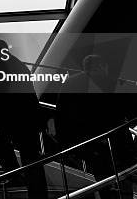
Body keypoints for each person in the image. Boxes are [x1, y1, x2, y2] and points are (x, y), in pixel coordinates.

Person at [56, 55, 134, 199]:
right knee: (123, 176)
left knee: (102, 180)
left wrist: (65, 141)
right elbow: (127, 109)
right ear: (101, 66)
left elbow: (61, 113)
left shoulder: (70, 83)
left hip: (89, 142)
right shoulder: (109, 82)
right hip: (114, 141)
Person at [0, 38, 47, 199]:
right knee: (30, 156)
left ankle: (15, 176)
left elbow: (1, 95)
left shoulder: (1, 64)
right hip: (26, 117)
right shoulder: (14, 63)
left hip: (16, 117)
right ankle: (31, 188)